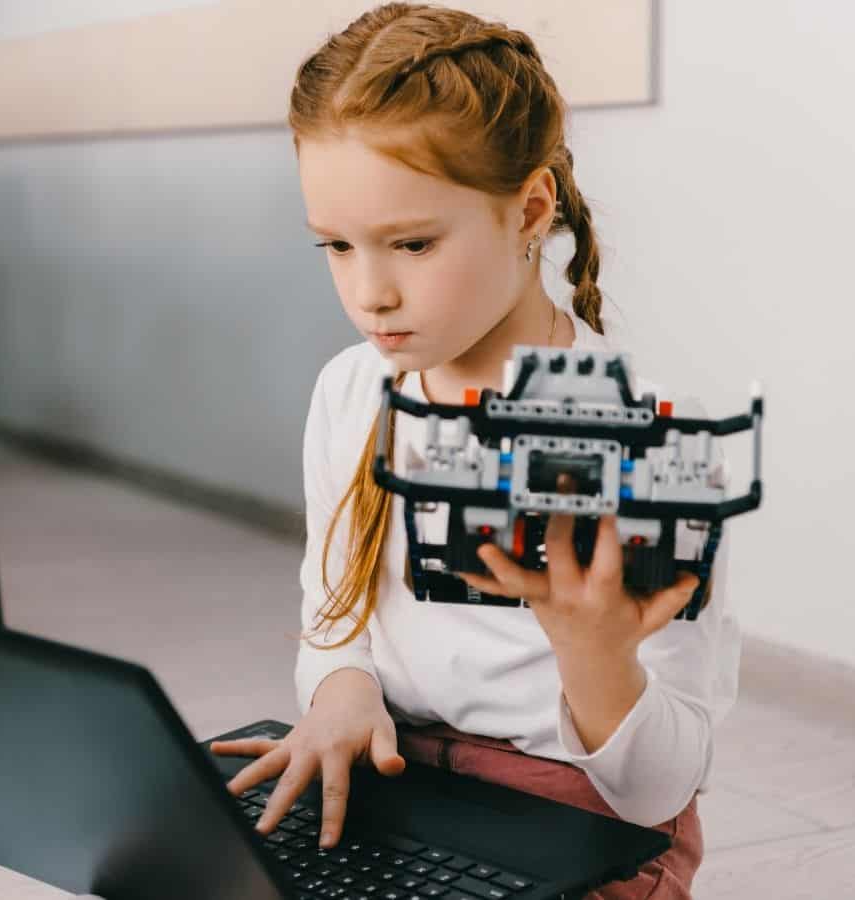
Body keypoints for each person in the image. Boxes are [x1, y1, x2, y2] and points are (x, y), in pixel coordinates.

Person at [210, 4, 739, 897]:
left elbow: (657, 791)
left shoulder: (646, 442)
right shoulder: (352, 390)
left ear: (529, 208)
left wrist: (595, 657)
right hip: (402, 786)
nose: (368, 292)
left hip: (581, 822)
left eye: (412, 243)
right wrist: (342, 689)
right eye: (336, 246)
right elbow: (331, 621)